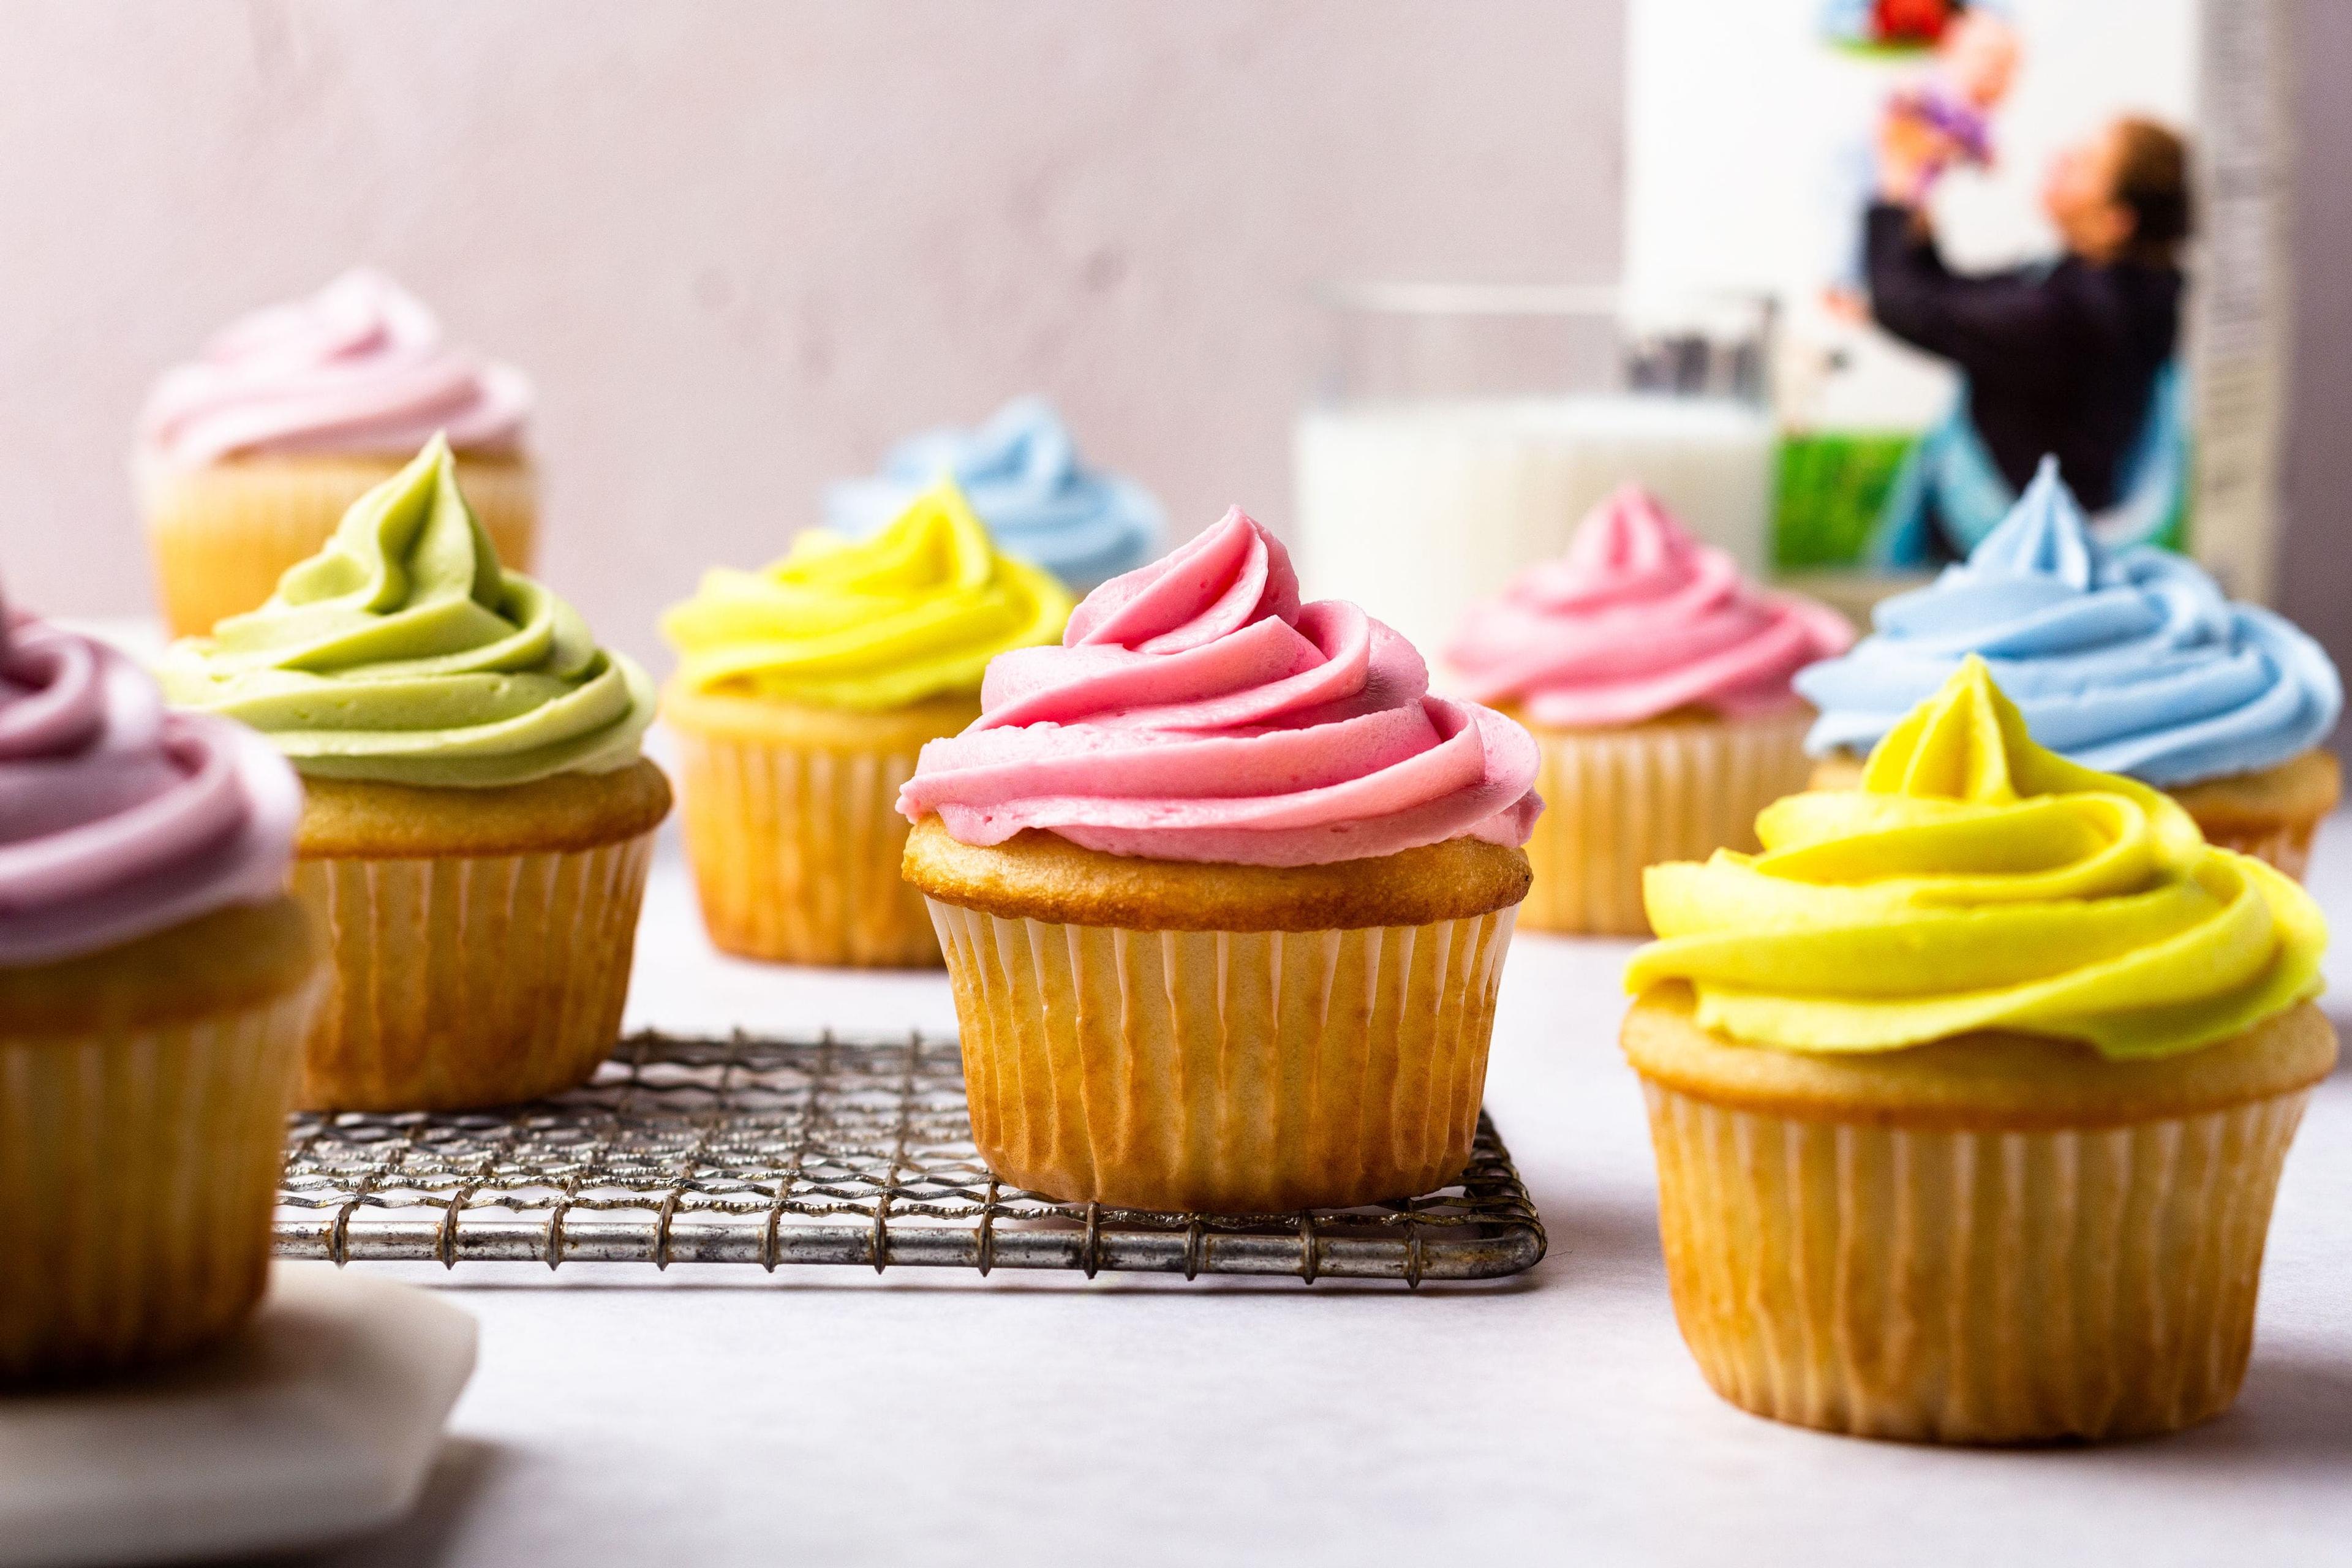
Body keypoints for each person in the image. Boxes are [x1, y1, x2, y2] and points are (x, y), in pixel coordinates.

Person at [1863, 115, 2192, 564]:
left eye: (2084, 163)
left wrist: (1897, 182)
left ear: (2117, 221)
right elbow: (1952, 299)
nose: (2060, 158)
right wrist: (1916, 218)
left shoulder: (2071, 313)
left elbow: (1914, 308)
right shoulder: (2138, 295)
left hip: (1998, 562)